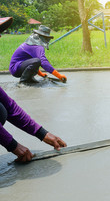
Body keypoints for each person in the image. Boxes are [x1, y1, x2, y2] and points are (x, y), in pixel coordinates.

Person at [0, 20, 67, 162]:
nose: (0, 37)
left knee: (2, 109)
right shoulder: (36, 46)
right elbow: (41, 61)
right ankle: (25, 81)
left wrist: (42, 133)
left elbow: (10, 106)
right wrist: (13, 145)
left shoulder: (31, 45)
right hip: (17, 69)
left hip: (17, 68)